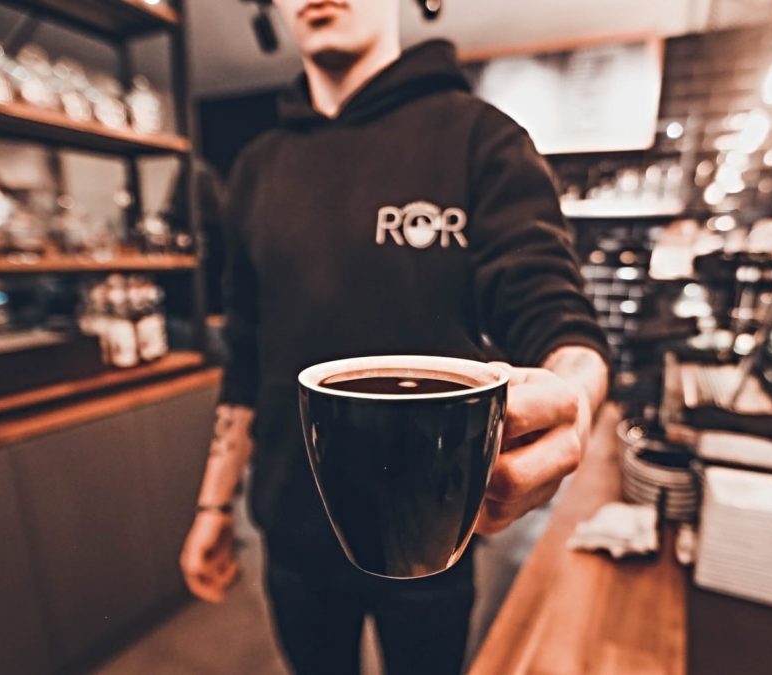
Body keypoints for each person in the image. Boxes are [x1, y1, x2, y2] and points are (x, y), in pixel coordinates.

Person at [180, 1, 610, 673]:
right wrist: (213, 502)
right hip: (291, 533)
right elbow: (246, 355)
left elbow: (555, 313)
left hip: (432, 534)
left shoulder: (481, 140)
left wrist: (574, 401)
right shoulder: (257, 167)